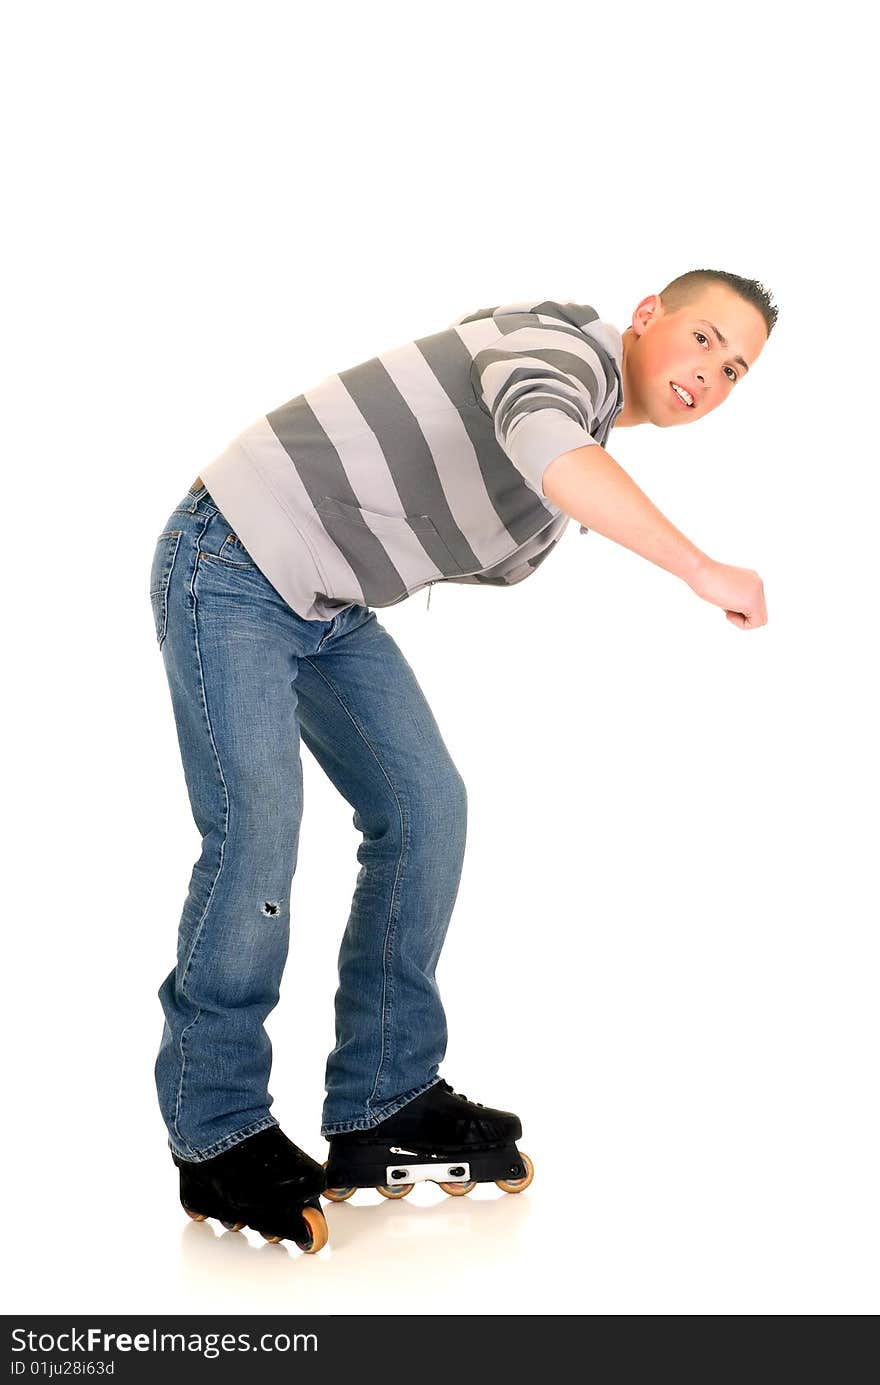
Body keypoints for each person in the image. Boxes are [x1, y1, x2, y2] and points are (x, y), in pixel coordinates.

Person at [149, 268, 777, 1251]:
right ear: (647, 314)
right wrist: (699, 567)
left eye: (735, 369)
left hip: (324, 605)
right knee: (256, 830)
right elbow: (542, 436)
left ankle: (383, 1096)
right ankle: (217, 1124)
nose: (713, 372)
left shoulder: (589, 413)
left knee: (427, 807)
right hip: (229, 561)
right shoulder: (557, 348)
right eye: (703, 338)